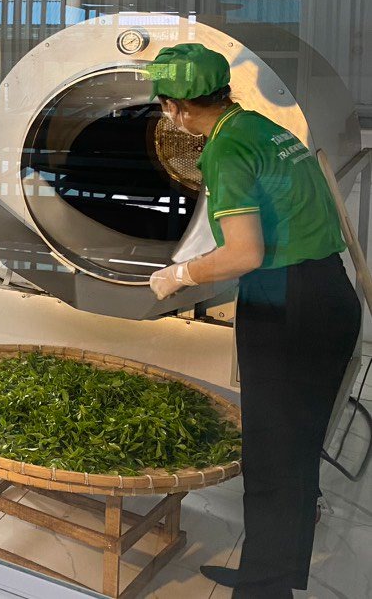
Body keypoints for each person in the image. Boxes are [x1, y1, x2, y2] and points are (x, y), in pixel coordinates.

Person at [146, 43, 360, 598]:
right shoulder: (262, 128)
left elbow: (244, 253)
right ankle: (271, 573)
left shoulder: (224, 150)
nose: (167, 116)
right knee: (295, 449)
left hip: (288, 305)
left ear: (177, 107)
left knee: (271, 454)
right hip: (326, 291)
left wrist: (180, 275)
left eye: (165, 105)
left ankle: (263, 589)